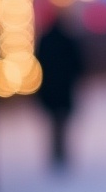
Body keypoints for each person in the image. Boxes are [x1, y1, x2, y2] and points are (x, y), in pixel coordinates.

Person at [36, 10, 84, 168]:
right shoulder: (67, 39)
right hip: (64, 87)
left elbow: (39, 63)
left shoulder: (45, 40)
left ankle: (56, 152)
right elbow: (77, 63)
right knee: (62, 121)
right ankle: (61, 151)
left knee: (53, 123)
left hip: (50, 88)